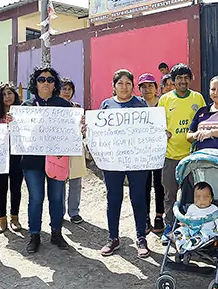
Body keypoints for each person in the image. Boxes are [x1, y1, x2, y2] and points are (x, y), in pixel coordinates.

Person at [93, 69, 152, 258]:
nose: (124, 87)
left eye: (128, 83)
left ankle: (141, 237)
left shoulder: (141, 104)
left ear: (133, 86)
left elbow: (150, 128)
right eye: (120, 83)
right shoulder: (106, 105)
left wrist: (160, 133)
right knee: (114, 199)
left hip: (137, 161)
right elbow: (99, 131)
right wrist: (89, 128)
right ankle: (113, 238)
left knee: (138, 198)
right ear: (113, 86)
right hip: (113, 162)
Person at [21, 66, 76, 254]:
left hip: (58, 159)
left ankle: (56, 233)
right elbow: (19, 135)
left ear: (55, 85)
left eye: (50, 80)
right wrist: (14, 124)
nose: (46, 82)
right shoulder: (25, 107)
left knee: (56, 198)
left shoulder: (64, 105)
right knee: (36, 198)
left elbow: (72, 132)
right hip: (32, 161)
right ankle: (34, 235)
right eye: (41, 79)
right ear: (35, 84)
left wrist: (80, 128)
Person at [157, 63, 205, 232]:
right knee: (169, 195)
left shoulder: (198, 98)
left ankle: (188, 227)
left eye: (186, 78)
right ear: (173, 81)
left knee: (191, 194)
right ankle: (169, 227)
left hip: (192, 157)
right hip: (170, 157)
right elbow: (158, 125)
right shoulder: (165, 99)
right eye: (179, 78)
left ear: (190, 80)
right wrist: (163, 132)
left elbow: (204, 122)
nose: (183, 81)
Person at [0, 83, 24, 233]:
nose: (7, 97)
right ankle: (1, 219)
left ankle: (14, 218)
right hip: (0, 157)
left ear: (15, 95)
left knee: (16, 188)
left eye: (10, 93)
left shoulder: (23, 112)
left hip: (17, 156)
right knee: (1, 189)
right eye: (3, 95)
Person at [163, 182, 218, 253]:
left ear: (211, 198)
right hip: (191, 229)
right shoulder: (192, 207)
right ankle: (180, 242)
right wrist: (184, 223)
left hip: (206, 231)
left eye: (205, 197)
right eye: (198, 197)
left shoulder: (214, 209)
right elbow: (187, 217)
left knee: (204, 236)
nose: (201, 200)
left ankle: (191, 243)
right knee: (182, 230)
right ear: (194, 198)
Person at [138, 72, 165, 232]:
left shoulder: (163, 104)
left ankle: (159, 215)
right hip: (141, 153)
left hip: (160, 151)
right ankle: (146, 216)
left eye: (150, 85)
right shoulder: (136, 105)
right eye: (143, 86)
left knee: (160, 184)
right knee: (144, 185)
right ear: (139, 89)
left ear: (156, 88)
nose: (147, 89)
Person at [60, 79, 87, 225]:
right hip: (58, 150)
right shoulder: (53, 108)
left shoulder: (77, 108)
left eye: (69, 89)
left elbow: (82, 131)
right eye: (64, 88)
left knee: (76, 181)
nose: (67, 92)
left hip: (75, 149)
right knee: (60, 182)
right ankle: (60, 212)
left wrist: (83, 129)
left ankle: (74, 212)